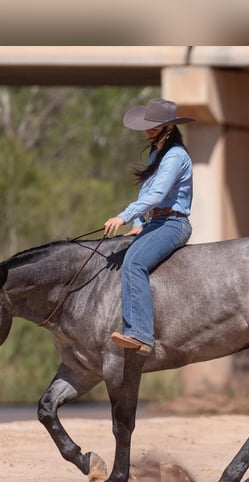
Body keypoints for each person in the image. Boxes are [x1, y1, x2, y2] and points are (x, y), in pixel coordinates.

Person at [103, 98, 195, 356]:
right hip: (155, 222)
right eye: (148, 125)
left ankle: (141, 334)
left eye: (154, 126)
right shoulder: (158, 153)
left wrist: (123, 216)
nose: (148, 130)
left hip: (173, 223)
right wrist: (138, 223)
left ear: (169, 127)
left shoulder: (176, 156)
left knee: (134, 263)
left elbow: (156, 195)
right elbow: (147, 191)